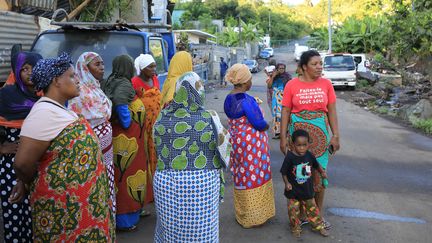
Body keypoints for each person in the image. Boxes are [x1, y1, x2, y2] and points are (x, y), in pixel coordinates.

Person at [13, 53, 114, 242]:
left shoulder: (61, 109)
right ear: (56, 81)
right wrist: (26, 181)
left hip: (81, 207)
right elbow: (22, 164)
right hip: (65, 210)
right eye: (72, 76)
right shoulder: (43, 113)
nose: (78, 80)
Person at [153, 55, 225, 242]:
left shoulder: (162, 118)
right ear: (199, 91)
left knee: (171, 230)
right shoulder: (210, 118)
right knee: (202, 230)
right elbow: (224, 151)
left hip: (166, 182)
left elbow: (156, 150)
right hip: (203, 183)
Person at [280, 50, 340, 230]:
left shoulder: (326, 84)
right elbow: (285, 111)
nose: (319, 67)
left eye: (321, 63)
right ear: (304, 67)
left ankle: (317, 216)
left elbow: (331, 110)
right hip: (298, 141)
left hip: (321, 140)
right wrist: (283, 137)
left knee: (319, 177)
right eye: (315, 64)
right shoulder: (292, 85)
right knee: (300, 176)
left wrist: (336, 135)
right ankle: (302, 215)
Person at [224, 64, 275, 228]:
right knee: (254, 175)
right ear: (245, 82)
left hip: (237, 143)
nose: (251, 82)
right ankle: (255, 216)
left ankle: (243, 213)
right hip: (251, 146)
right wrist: (268, 125)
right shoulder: (245, 100)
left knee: (241, 175)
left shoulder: (228, 98)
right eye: (251, 79)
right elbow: (258, 124)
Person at [102, 54, 149, 231]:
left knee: (125, 177)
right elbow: (122, 109)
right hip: (126, 140)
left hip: (128, 140)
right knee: (125, 177)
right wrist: (128, 120)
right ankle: (125, 220)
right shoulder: (123, 84)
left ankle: (134, 210)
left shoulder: (110, 81)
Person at [0, 51, 42, 242]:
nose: (29, 73)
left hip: (41, 163)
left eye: (33, 68)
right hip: (12, 166)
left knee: (40, 213)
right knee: (16, 213)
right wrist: (1, 148)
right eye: (24, 69)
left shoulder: (49, 94)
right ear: (17, 72)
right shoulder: (6, 95)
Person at [68, 52, 115, 214]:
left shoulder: (95, 88)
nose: (102, 68)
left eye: (102, 63)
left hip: (105, 147)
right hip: (91, 146)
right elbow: (100, 114)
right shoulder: (79, 93)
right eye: (97, 64)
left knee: (107, 179)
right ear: (85, 68)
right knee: (95, 181)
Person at [280, 129, 329, 238]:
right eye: (299, 145)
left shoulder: (309, 155)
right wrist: (286, 183)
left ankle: (318, 226)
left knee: (313, 210)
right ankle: (296, 228)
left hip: (307, 190)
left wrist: (322, 172)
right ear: (293, 144)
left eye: (304, 145)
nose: (302, 148)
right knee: (293, 212)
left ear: (308, 144)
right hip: (293, 191)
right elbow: (283, 172)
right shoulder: (290, 157)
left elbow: (317, 165)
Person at [132, 54, 162, 208]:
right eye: (150, 67)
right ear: (142, 68)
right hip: (144, 127)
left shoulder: (155, 79)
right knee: (146, 157)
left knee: (157, 155)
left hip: (158, 126)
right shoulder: (135, 82)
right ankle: (149, 191)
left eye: (154, 66)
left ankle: (158, 189)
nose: (153, 69)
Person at [267, 63, 292, 139]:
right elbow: (269, 86)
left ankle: (285, 132)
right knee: (276, 115)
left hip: (284, 97)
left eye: (283, 68)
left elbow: (290, 87)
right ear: (277, 69)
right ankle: (277, 132)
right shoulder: (273, 76)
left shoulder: (287, 77)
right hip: (275, 97)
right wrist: (273, 76)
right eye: (280, 68)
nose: (281, 70)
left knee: (284, 114)